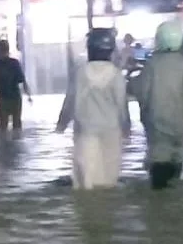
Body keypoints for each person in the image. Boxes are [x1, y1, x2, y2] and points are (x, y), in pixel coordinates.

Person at [55, 29, 131, 189]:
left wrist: (61, 124)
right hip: (111, 131)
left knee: (85, 180)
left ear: (89, 49)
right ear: (110, 51)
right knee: (108, 179)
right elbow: (122, 106)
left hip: (85, 131)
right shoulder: (116, 75)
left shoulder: (80, 73)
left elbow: (70, 101)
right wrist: (126, 128)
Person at [137, 20, 183, 189]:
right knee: (177, 161)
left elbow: (142, 93)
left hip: (156, 122)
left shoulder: (152, 65)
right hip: (180, 122)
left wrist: (144, 114)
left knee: (159, 163)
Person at [0, 39, 31, 138]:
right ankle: (16, 144)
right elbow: (23, 81)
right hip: (14, 98)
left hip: (4, 99)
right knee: (16, 125)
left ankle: (5, 146)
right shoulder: (14, 63)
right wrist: (28, 95)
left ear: (1, 51)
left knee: (4, 126)